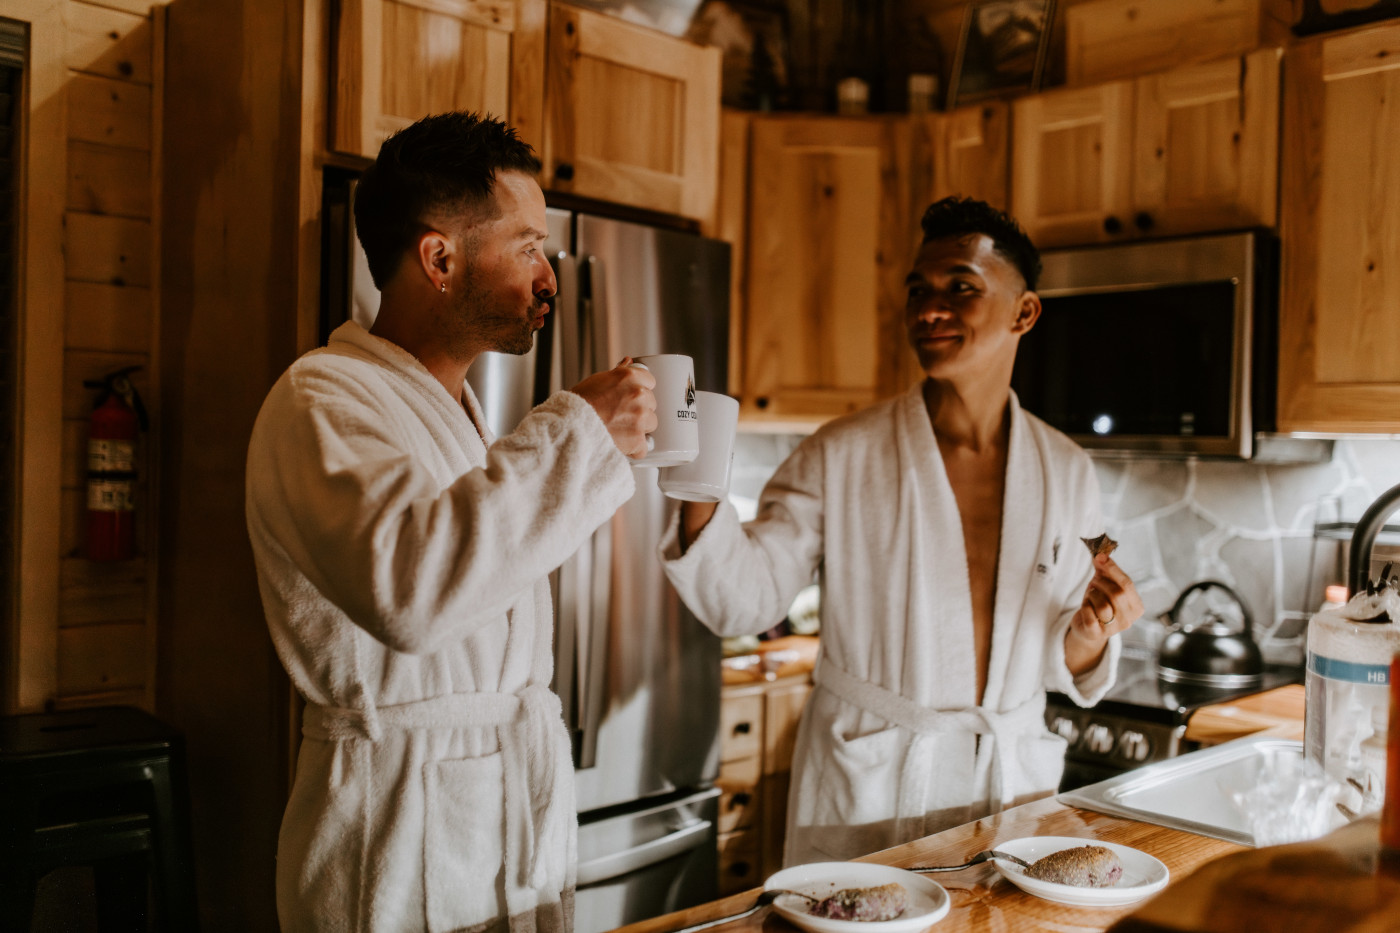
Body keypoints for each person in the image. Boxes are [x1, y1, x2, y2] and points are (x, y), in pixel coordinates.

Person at [245, 111, 658, 933]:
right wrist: (576, 426)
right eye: (528, 246)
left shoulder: (455, 417)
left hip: (499, 820)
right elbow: (410, 588)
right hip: (396, 837)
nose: (548, 277)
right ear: (439, 257)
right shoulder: (320, 399)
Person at [659, 196, 1144, 865]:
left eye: (960, 289)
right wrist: (694, 479)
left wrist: (1090, 633)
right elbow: (743, 599)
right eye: (918, 290)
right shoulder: (842, 452)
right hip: (872, 788)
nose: (928, 309)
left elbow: (1059, 654)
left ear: (1023, 312)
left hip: (1007, 792)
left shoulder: (1066, 470)